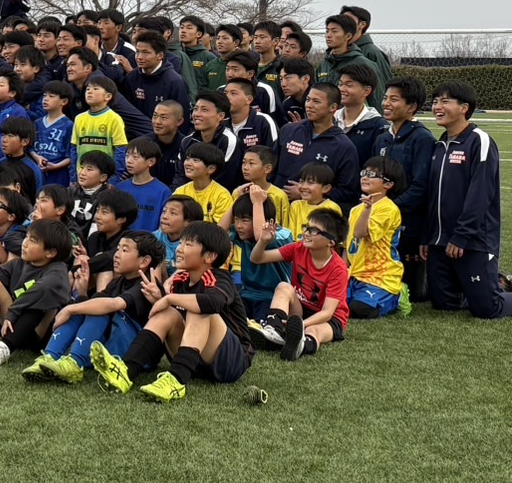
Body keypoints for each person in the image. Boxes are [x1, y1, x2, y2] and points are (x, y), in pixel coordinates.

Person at [91, 221, 254, 402]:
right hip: (195, 360)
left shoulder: (219, 278)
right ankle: (126, 371)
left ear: (209, 256)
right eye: (181, 243)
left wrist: (169, 299)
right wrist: (160, 299)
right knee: (166, 312)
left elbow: (212, 303)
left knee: (199, 310)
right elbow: (176, 316)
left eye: (188, 244)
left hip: (231, 361)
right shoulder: (180, 281)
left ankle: (176, 380)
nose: (179, 249)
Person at [21, 231, 165, 383]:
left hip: (136, 356)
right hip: (111, 347)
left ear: (144, 261)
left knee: (96, 309)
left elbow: (114, 304)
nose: (116, 255)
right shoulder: (118, 282)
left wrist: (69, 309)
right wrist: (82, 293)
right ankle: (50, 357)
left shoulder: (147, 284)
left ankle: (74, 362)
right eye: (117, 249)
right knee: (87, 307)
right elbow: (95, 304)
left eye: (124, 250)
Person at [423, 81, 510, 319]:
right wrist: (428, 237)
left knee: (487, 309)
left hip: (472, 241)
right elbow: (433, 197)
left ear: (464, 108)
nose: (437, 107)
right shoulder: (440, 144)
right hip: (440, 242)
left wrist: (462, 235)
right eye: (435, 101)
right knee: (443, 303)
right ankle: (494, 283)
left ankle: (492, 288)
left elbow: (480, 194)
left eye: (445, 101)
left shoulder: (479, 141)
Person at [0, 218, 73, 368]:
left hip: (38, 334)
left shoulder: (58, 270)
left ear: (50, 252)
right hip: (10, 326)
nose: (25, 243)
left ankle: (4, 349)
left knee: (39, 301)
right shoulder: (18, 264)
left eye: (33, 241)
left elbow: (41, 289)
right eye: (26, 237)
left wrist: (13, 312)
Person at [251, 209, 351, 360]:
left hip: (330, 319)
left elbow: (327, 312)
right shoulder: (298, 249)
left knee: (314, 331)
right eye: (307, 227)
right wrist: (263, 241)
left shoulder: (338, 269)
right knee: (284, 287)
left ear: (331, 242)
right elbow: (257, 258)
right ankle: (273, 330)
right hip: (302, 309)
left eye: (314, 231)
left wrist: (301, 325)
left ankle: (301, 345)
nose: (306, 233)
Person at [377, 76, 433, 301]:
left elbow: (421, 186)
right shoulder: (382, 138)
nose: (386, 103)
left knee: (413, 293)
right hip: (382, 220)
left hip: (409, 223)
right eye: (385, 98)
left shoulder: (422, 138)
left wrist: (389, 207)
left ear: (412, 107)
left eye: (394, 99)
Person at [275, 83, 360, 211]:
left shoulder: (344, 146)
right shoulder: (288, 130)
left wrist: (307, 193)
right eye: (308, 100)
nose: (309, 105)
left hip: (314, 216)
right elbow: (271, 170)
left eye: (316, 102)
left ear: (333, 107)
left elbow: (348, 192)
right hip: (278, 210)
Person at [344, 156, 410, 318]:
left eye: (372, 175)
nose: (365, 177)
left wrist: (368, 209)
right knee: (336, 305)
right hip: (356, 273)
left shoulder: (388, 209)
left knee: (360, 309)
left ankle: (397, 296)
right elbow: (349, 244)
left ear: (388, 184)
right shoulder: (356, 209)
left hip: (380, 276)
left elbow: (360, 233)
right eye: (364, 173)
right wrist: (342, 272)